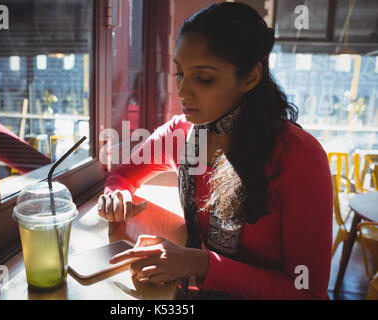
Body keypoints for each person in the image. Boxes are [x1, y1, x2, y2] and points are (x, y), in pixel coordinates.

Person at [97, 2, 333, 299]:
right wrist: (116, 196)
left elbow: (307, 291)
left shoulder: (300, 157)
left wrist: (201, 263)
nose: (183, 92)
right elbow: (121, 176)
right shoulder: (181, 135)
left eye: (204, 77)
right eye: (179, 73)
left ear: (249, 77)